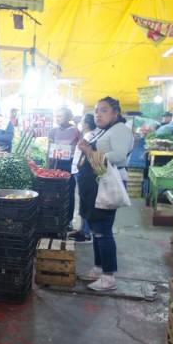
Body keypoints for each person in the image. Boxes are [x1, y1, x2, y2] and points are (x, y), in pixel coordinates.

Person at [75, 97, 134, 291]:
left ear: (115, 112)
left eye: (104, 110)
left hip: (107, 185)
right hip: (95, 185)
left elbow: (119, 155)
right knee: (95, 230)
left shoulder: (120, 130)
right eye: (97, 110)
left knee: (103, 231)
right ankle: (98, 269)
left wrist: (91, 153)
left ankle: (108, 277)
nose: (98, 114)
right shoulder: (105, 130)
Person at [47, 107, 80, 221]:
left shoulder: (75, 130)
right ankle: (54, 217)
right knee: (54, 192)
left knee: (69, 192)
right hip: (55, 164)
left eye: (60, 116)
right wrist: (48, 166)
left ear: (67, 117)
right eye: (56, 116)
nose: (57, 119)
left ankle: (68, 219)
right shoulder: (53, 131)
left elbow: (79, 147)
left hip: (69, 164)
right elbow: (49, 148)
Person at [69, 113, 97, 243]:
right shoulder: (88, 135)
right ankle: (82, 230)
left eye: (82, 122)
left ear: (85, 124)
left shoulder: (89, 136)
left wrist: (79, 170)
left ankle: (86, 233)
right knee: (83, 200)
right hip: (79, 171)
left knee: (84, 201)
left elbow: (86, 156)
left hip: (81, 172)